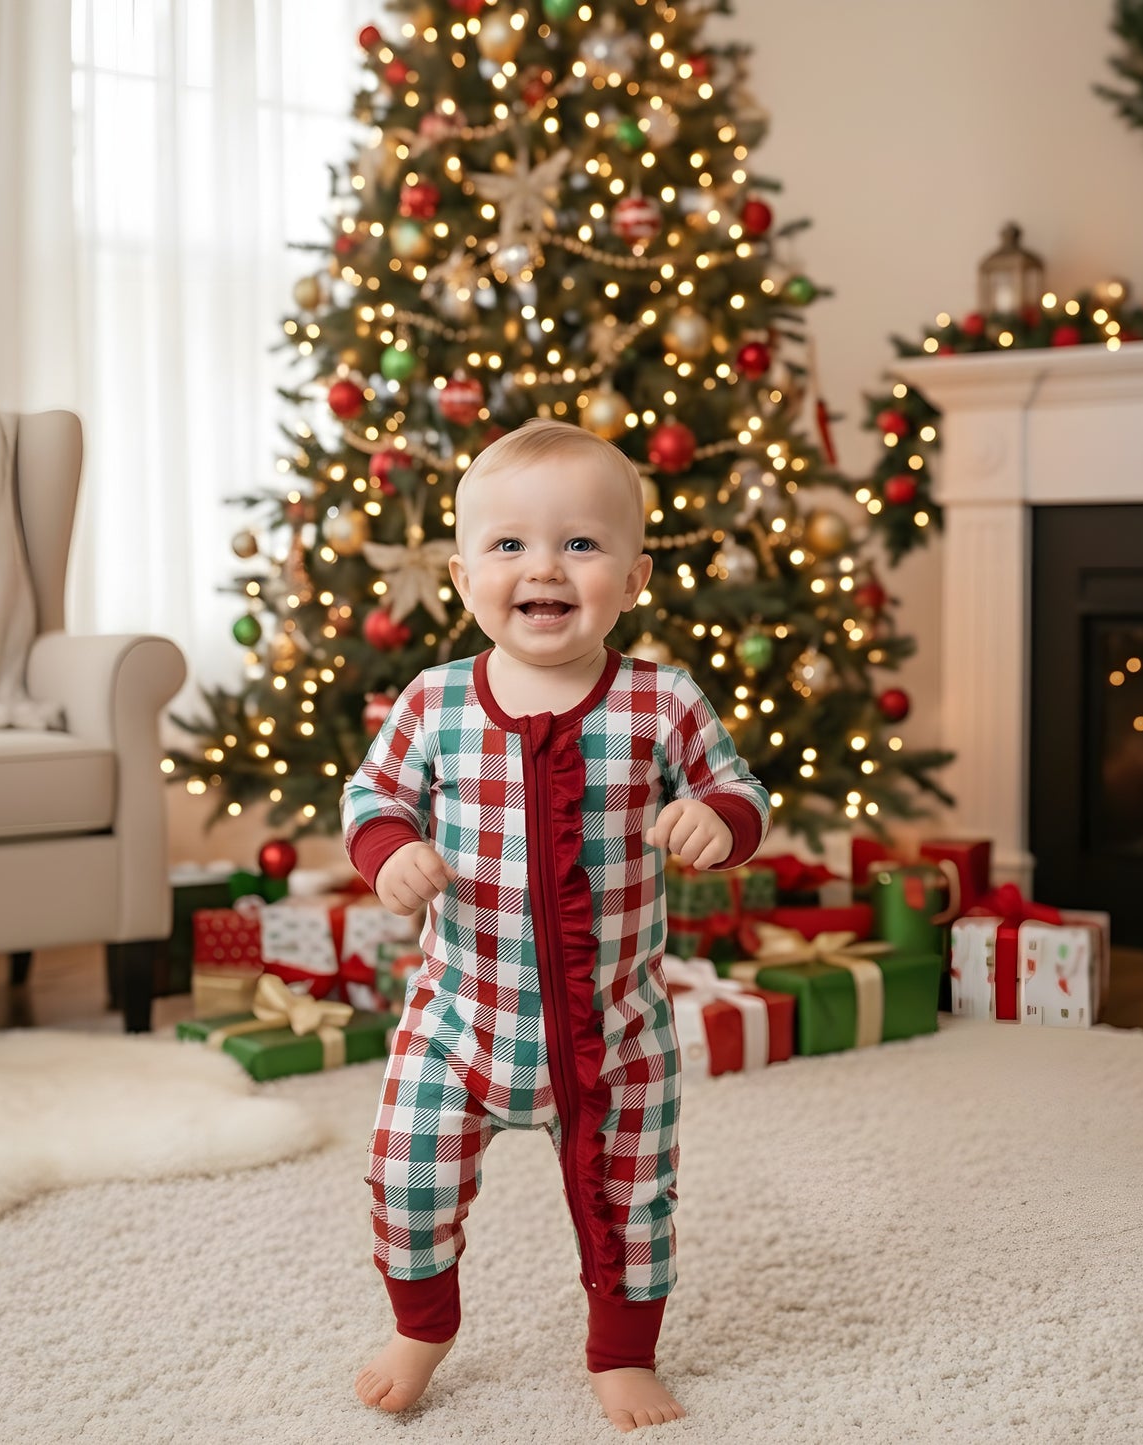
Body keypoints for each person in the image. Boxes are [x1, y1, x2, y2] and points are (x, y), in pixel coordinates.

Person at [340, 418, 772, 1432]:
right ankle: (421, 1325)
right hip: (459, 1017)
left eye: (579, 543)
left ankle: (621, 1352)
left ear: (632, 574)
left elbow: (733, 783)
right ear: (459, 576)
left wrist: (714, 817)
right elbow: (372, 795)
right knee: (405, 1171)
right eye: (508, 546)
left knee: (632, 1201)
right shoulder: (434, 699)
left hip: (615, 1025)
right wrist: (388, 849)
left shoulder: (658, 699)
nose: (543, 566)